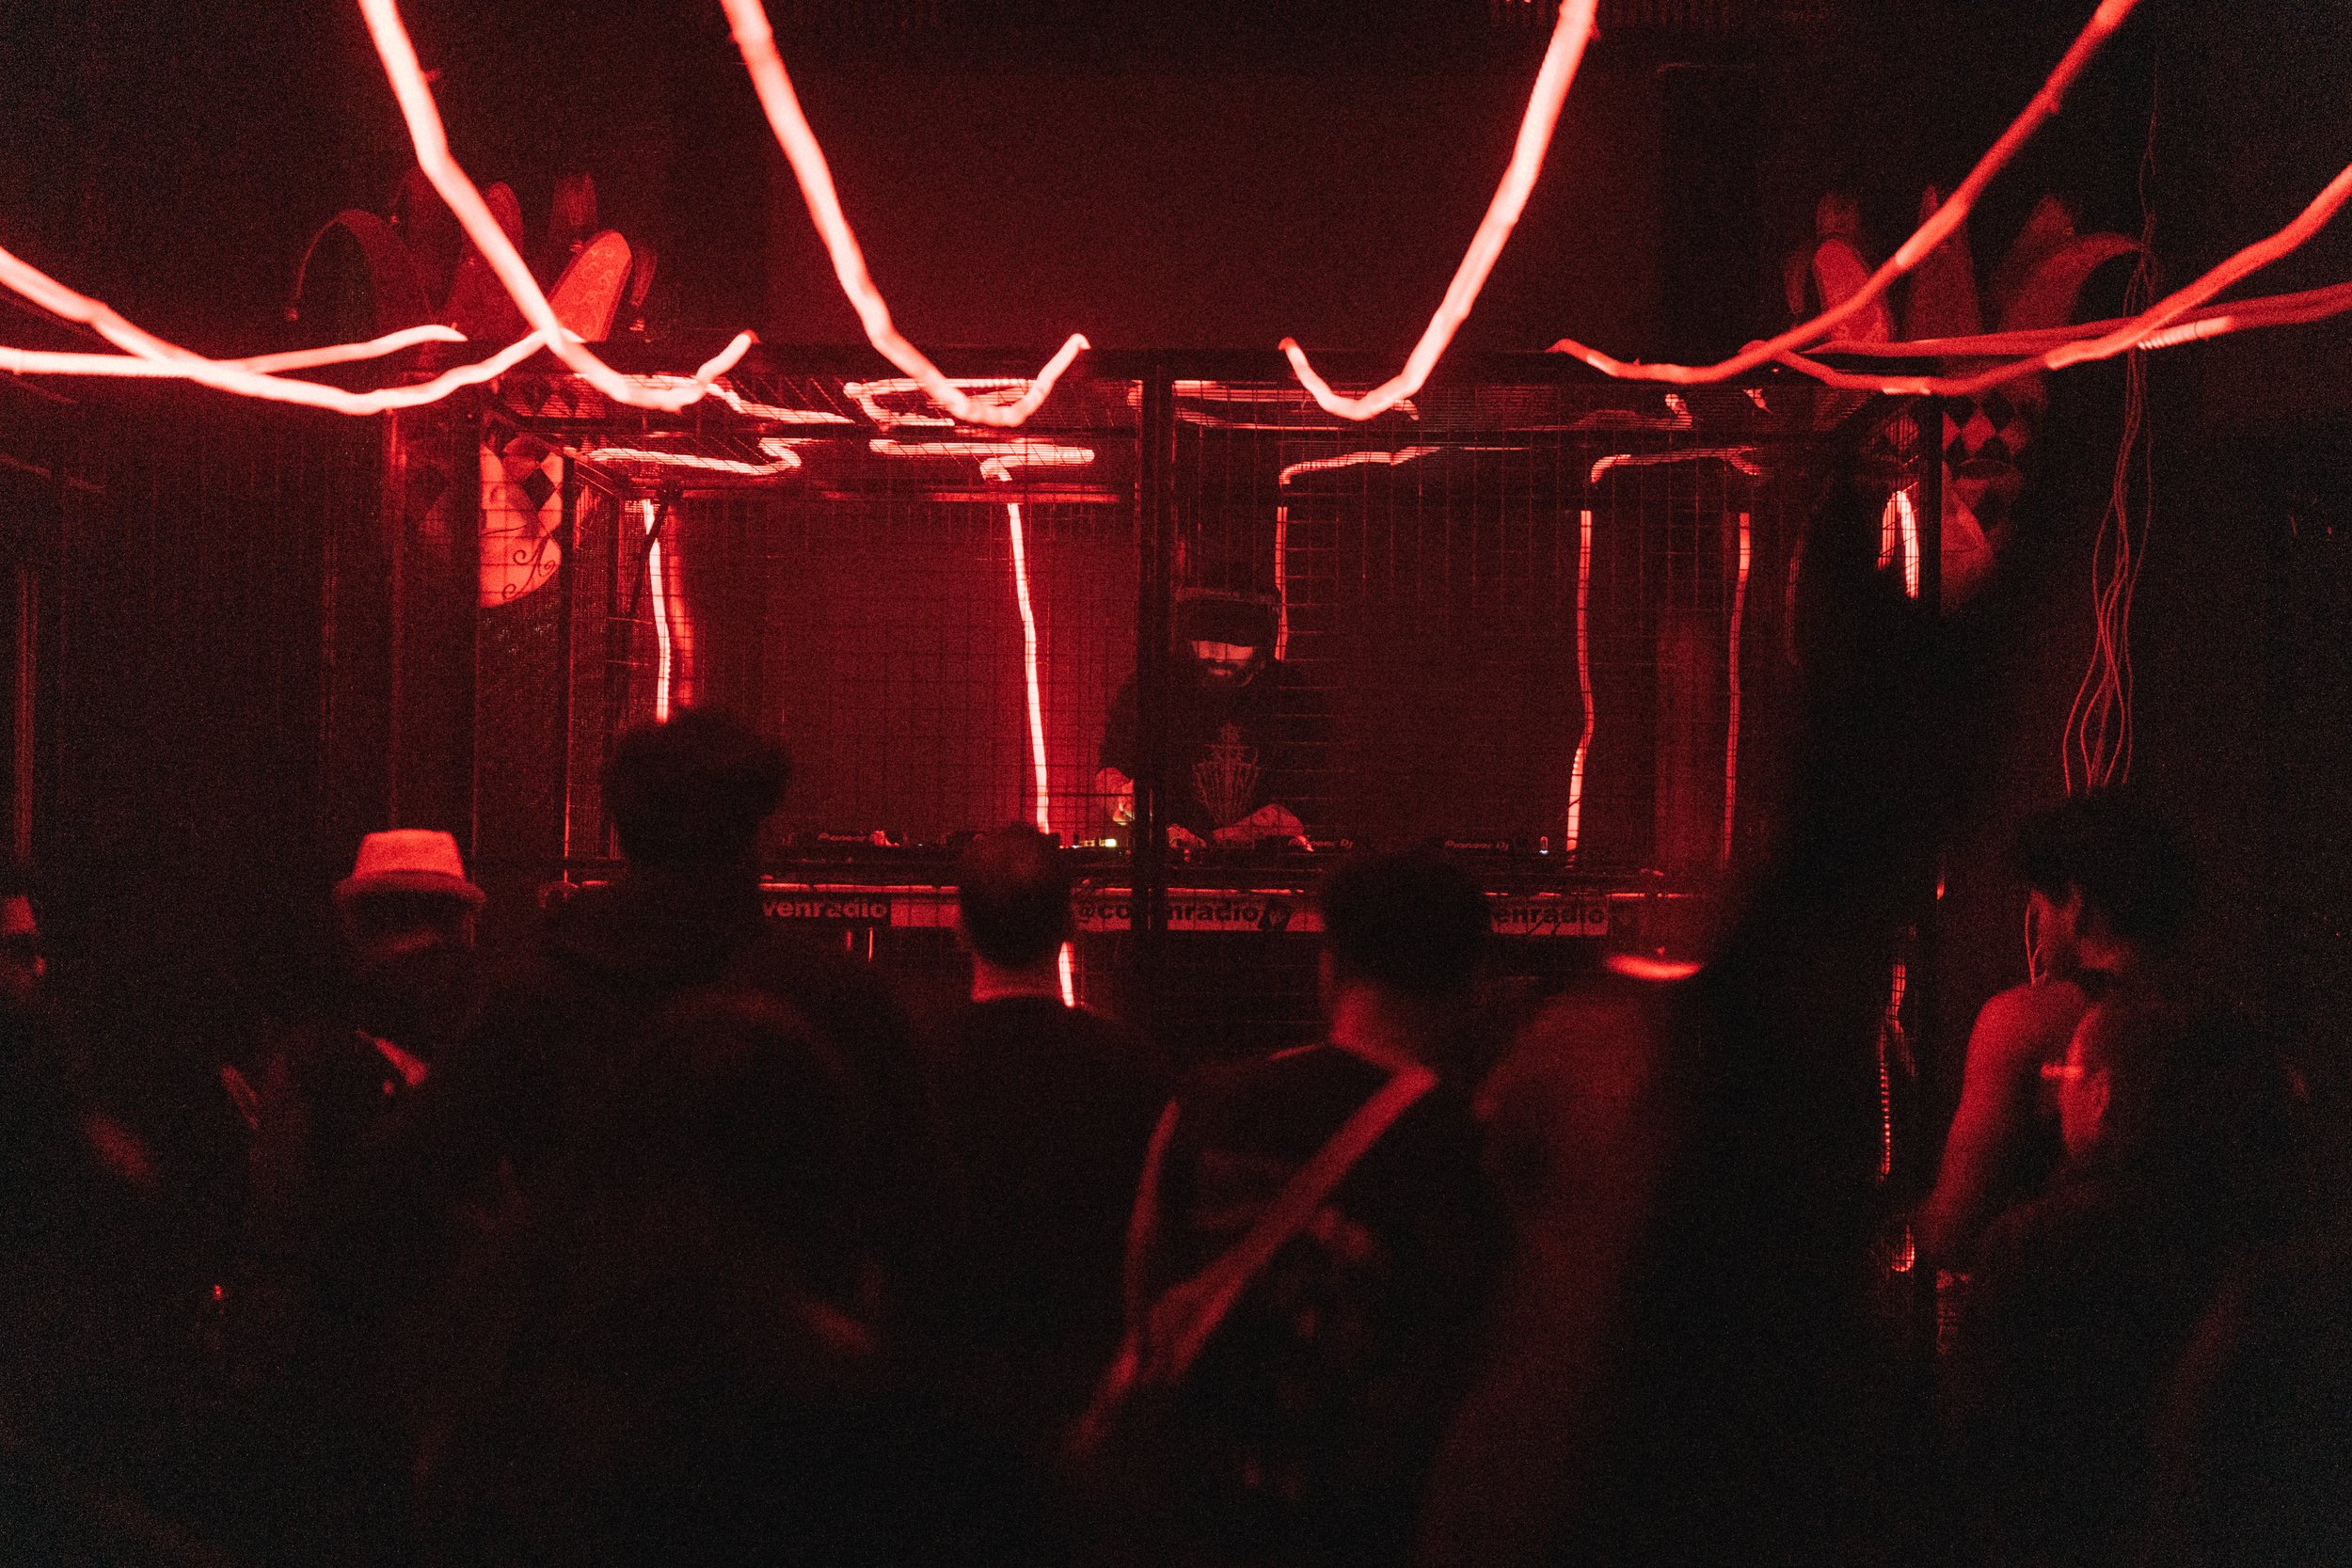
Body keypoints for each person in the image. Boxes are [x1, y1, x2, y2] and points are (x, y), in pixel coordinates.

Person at [1099, 849, 1506, 1568]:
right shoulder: (1468, 1155)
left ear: (1331, 965)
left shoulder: (1204, 1103)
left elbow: (1145, 1283)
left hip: (1190, 1515)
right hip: (1360, 1528)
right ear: (1474, 985)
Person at [1949, 991, 2302, 1568]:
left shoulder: (2037, 1246)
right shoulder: (2255, 1237)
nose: (2054, 1095)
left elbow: (1971, 1442)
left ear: (2102, 1093)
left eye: (2068, 1073)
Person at [927, 825, 1169, 1462]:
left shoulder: (912, 1066)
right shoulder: (1134, 1069)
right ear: (1071, 926)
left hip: (945, 1400)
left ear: (959, 928)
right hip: (1089, 1395)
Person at [1916, 789, 2197, 1267]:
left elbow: (1952, 1233)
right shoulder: (2215, 1023)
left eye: (2039, 906)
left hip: (2060, 1323)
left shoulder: (2020, 1022)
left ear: (2077, 905)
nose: (2037, 926)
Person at [1096, 584, 1320, 848]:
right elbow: (1109, 770)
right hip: (1166, 860)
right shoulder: (1152, 686)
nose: (1217, 654)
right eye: (1205, 638)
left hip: (1265, 864)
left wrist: (1210, 845)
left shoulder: (1294, 695)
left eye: (1235, 642)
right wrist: (1123, 799)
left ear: (1261, 642)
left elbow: (1302, 803)